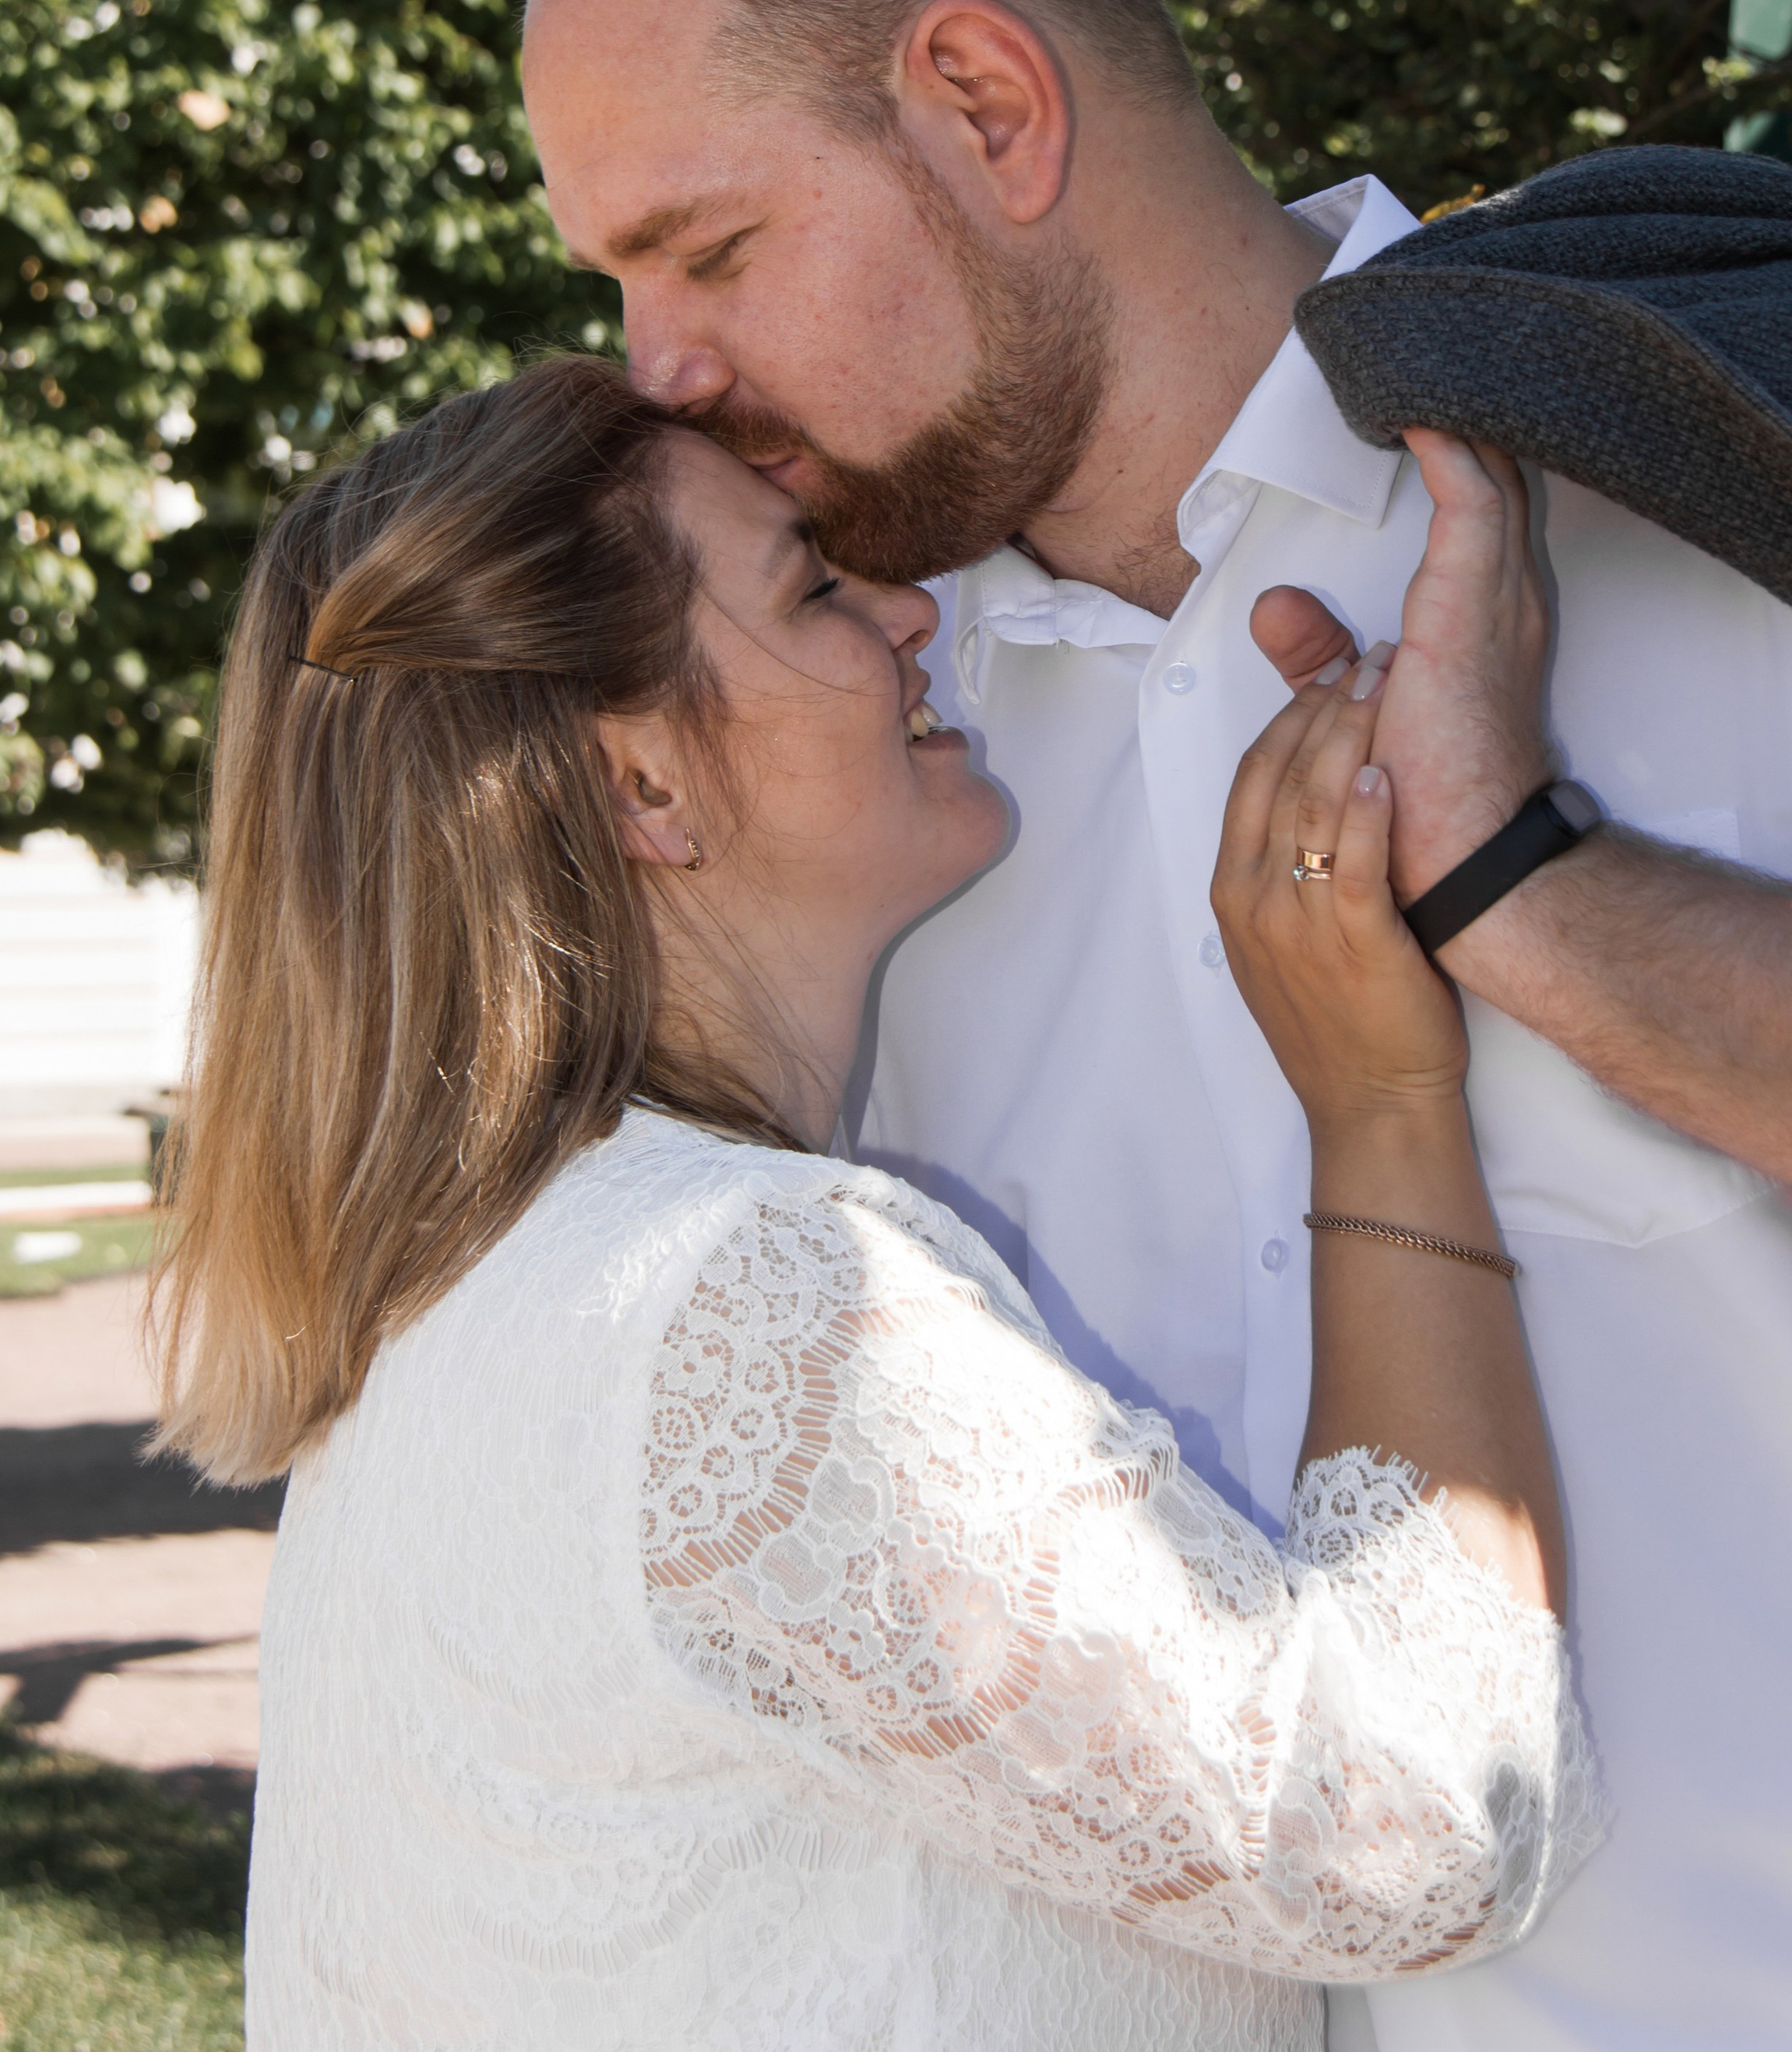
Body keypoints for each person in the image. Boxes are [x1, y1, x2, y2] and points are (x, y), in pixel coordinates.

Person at [521, 0, 1792, 2052]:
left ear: (990, 109)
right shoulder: (854, 769)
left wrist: (1542, 898)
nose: (660, 369)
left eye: (705, 247)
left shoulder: (1695, 470)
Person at [153, 357, 1597, 2049]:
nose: (911, 614)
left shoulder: (471, 1292)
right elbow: (1419, 1829)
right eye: (813, 586)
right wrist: (1383, 1104)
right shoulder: (753, 1301)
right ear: (644, 790)